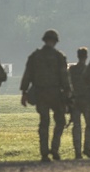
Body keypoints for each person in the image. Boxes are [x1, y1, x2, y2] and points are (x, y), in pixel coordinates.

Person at [20, 29, 72, 162]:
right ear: (55, 41)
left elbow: (28, 75)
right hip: (55, 94)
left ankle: (44, 152)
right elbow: (64, 76)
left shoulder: (35, 56)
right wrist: (67, 92)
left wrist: (24, 92)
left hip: (40, 93)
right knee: (60, 121)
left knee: (44, 122)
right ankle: (54, 149)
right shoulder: (59, 56)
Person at [67, 46, 90, 159]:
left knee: (76, 126)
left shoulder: (72, 69)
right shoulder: (89, 70)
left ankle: (78, 152)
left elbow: (67, 84)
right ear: (86, 56)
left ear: (78, 56)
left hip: (75, 100)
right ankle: (87, 149)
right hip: (87, 101)